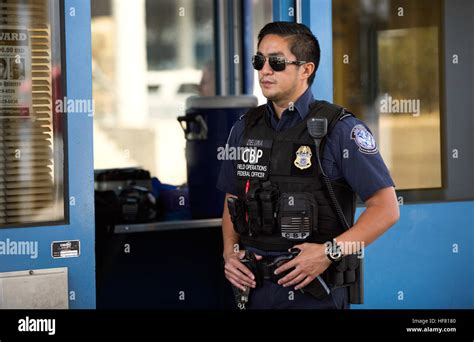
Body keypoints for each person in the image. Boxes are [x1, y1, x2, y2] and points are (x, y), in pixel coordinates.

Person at [216, 22, 399, 310]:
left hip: (315, 296)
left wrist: (329, 252)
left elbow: (386, 209)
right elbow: (232, 198)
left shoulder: (339, 129)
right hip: (254, 294)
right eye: (259, 61)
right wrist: (229, 253)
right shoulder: (244, 129)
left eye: (276, 62)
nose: (264, 70)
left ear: (306, 69)